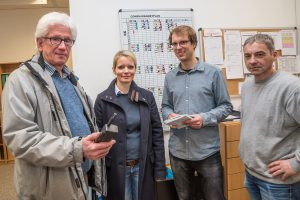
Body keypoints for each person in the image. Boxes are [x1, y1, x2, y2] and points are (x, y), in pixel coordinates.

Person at [2, 12, 115, 200]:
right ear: (40, 43)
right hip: (50, 189)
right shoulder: (19, 81)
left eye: (68, 41)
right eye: (55, 39)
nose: (63, 46)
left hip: (81, 178)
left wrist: (93, 145)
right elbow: (20, 139)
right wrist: (78, 149)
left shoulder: (72, 80)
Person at [161, 25, 232, 200]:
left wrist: (204, 118)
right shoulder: (170, 77)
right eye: (174, 44)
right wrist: (169, 115)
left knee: (214, 197)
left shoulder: (213, 73)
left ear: (194, 43)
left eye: (183, 42)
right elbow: (165, 106)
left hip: (207, 151)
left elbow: (225, 106)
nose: (178, 47)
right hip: (178, 152)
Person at [94, 50, 166, 200]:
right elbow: (96, 137)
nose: (126, 71)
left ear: (135, 69)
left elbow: (157, 133)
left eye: (130, 67)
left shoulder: (146, 97)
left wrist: (159, 169)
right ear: (114, 70)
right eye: (121, 67)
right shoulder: (102, 100)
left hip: (143, 167)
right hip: (115, 170)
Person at [239, 33, 300, 200]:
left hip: (279, 182)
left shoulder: (292, 87)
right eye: (247, 56)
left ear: (274, 56)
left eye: (259, 54)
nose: (252, 61)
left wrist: (296, 163)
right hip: (252, 174)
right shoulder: (247, 86)